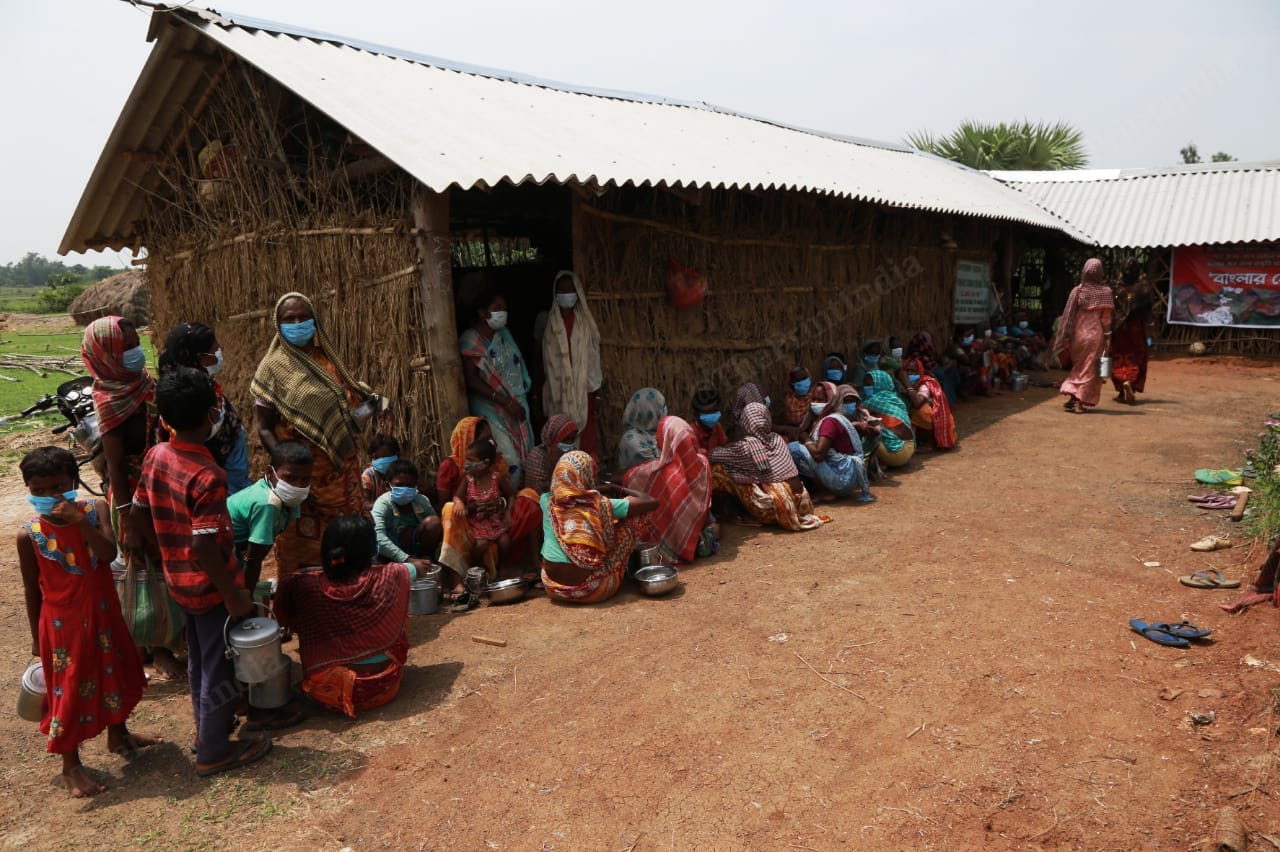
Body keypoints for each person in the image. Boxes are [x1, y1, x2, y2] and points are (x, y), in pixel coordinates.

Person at [132, 367, 271, 777]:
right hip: (210, 588)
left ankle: (206, 731)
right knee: (219, 667)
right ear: (213, 414)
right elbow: (205, 544)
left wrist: (161, 556)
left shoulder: (157, 455)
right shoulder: (208, 476)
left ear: (164, 417)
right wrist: (234, 594)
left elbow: (138, 510)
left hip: (180, 582)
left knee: (200, 660)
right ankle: (213, 749)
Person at [16, 446, 157, 797]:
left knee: (116, 670)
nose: (50, 497)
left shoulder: (93, 510)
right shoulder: (29, 534)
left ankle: (118, 733)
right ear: (29, 490)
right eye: (40, 491)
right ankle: (70, 765)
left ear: (74, 483)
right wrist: (37, 637)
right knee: (70, 689)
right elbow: (32, 592)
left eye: (58, 487)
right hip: (62, 626)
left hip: (104, 613)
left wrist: (80, 523)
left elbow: (109, 554)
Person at [81, 315, 184, 681]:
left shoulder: (144, 385)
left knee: (167, 564)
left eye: (136, 343)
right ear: (106, 354)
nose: (135, 352)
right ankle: (156, 648)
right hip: (134, 499)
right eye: (126, 347)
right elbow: (114, 467)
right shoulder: (110, 401)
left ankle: (165, 639)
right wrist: (128, 519)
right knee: (146, 566)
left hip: (162, 487)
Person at [251, 292, 376, 578]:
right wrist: (286, 465)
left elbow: (345, 411)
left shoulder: (329, 362)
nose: (297, 323)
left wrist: (368, 404)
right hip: (300, 474)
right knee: (301, 542)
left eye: (303, 317)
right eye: (289, 319)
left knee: (348, 539)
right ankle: (303, 607)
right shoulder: (272, 369)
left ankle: (350, 594)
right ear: (278, 324)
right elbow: (264, 426)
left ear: (314, 321)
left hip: (342, 474)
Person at [275, 515, 414, 717]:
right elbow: (415, 568)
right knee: (399, 604)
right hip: (384, 687)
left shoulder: (300, 584)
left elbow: (283, 620)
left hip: (328, 692)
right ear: (369, 550)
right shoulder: (393, 573)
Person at [438, 419, 543, 606]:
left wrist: (502, 506)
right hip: (468, 524)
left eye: (490, 439)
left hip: (496, 521)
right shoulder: (455, 470)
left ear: (485, 462)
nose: (492, 442)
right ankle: (465, 576)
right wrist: (467, 507)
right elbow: (450, 501)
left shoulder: (496, 471)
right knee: (453, 513)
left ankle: (515, 566)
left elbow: (512, 494)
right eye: (485, 439)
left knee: (529, 499)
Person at [540, 451, 658, 604]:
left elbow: (571, 498)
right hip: (591, 590)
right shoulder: (599, 504)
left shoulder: (546, 500)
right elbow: (651, 502)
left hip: (553, 588)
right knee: (634, 517)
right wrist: (616, 488)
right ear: (585, 476)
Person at [155, 323, 250, 494]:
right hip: (225, 482)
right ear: (199, 357)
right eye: (215, 350)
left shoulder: (170, 392)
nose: (219, 353)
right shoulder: (194, 397)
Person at [459, 289, 534, 487]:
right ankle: (502, 503)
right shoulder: (470, 341)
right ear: (483, 313)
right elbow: (472, 380)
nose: (503, 312)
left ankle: (520, 507)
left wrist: (514, 402)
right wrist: (505, 401)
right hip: (489, 408)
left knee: (526, 458)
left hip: (516, 406)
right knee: (510, 460)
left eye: (504, 308)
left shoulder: (504, 336)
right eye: (497, 308)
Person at [709, 402, 824, 531]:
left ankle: (729, 513)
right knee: (752, 475)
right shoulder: (777, 439)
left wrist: (731, 444)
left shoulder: (746, 447)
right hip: (803, 503)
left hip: (779, 507)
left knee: (719, 470)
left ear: (745, 423)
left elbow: (713, 455)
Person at [622, 416, 712, 564]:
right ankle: (695, 544)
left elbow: (632, 478)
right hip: (694, 535)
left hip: (667, 542)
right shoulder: (703, 462)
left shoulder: (661, 472)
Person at [228, 440, 314, 593]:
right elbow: (253, 560)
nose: (298, 486)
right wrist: (247, 599)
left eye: (305, 480)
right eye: (290, 478)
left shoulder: (289, 498)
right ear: (270, 473)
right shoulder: (268, 503)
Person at [541, 271, 604, 461]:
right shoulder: (549, 323)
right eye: (562, 289)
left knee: (586, 435)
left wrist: (596, 390)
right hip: (557, 391)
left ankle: (587, 473)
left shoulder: (584, 323)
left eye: (570, 289)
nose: (566, 293)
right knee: (561, 433)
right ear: (555, 293)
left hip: (583, 391)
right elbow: (544, 360)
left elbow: (593, 357)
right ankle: (563, 472)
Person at [787, 382, 874, 502]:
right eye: (814, 399)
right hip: (847, 475)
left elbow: (818, 455)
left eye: (821, 399)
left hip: (842, 478)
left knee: (794, 448)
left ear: (831, 400)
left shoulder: (830, 422)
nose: (816, 403)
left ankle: (826, 492)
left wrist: (806, 438)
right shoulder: (833, 417)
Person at [1052, 258, 1115, 414]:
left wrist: (1065, 336)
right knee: (1090, 369)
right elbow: (1106, 320)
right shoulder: (1106, 292)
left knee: (1079, 366)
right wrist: (1108, 337)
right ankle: (1080, 402)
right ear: (1100, 272)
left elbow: (1069, 315)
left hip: (1077, 337)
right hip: (1096, 336)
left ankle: (1073, 396)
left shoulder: (1077, 291)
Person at [372, 459, 443, 570]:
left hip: (415, 544)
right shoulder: (382, 503)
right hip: (391, 546)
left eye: (410, 485)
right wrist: (407, 559)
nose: (405, 489)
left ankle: (426, 557)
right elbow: (378, 536)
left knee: (434, 522)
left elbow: (437, 529)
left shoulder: (421, 501)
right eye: (399, 485)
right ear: (387, 485)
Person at [1110, 257, 1156, 405]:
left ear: (1122, 270)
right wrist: (1151, 330)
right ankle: (1129, 381)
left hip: (1118, 328)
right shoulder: (1144, 288)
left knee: (1118, 356)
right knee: (1136, 356)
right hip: (1136, 327)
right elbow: (1148, 312)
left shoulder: (1115, 288)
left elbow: (1110, 308)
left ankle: (1122, 387)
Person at [902, 339, 958, 451]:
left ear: (920, 372)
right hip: (931, 419)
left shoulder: (925, 384)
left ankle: (930, 443)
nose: (909, 374)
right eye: (907, 371)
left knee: (921, 412)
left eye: (913, 371)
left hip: (937, 419)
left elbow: (917, 402)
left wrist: (907, 385)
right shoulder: (904, 384)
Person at [861, 369, 916, 468]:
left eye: (871, 385)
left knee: (863, 430)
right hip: (910, 446)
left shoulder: (875, 399)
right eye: (866, 385)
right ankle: (883, 461)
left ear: (880, 384)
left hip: (897, 452)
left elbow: (858, 408)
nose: (867, 388)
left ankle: (873, 466)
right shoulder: (896, 399)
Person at [523, 413, 578, 496]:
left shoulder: (573, 453)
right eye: (565, 440)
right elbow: (539, 492)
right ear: (553, 438)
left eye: (572, 439)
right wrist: (555, 462)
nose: (569, 444)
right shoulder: (536, 457)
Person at [617, 388, 667, 474]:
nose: (665, 410)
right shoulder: (631, 440)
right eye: (662, 406)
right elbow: (655, 471)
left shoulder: (663, 433)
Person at [361, 434, 400, 510]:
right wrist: (384, 503)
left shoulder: (400, 474)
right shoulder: (367, 477)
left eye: (386, 457)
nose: (381, 461)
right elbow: (364, 506)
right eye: (376, 457)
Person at [691, 388, 729, 454]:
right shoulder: (691, 433)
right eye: (707, 412)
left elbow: (724, 446)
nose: (712, 415)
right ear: (696, 415)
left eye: (714, 411)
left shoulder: (717, 426)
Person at [779, 367, 813, 435]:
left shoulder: (815, 394)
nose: (804, 384)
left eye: (805, 379)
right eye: (799, 381)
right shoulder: (790, 401)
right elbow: (794, 422)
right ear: (792, 384)